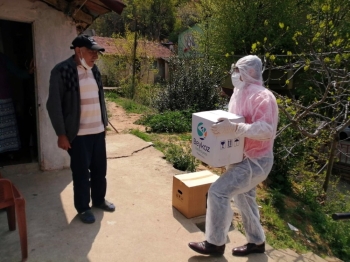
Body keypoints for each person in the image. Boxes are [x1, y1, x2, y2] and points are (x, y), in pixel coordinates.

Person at [188, 55, 279, 256]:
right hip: (240, 157)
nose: (234, 74)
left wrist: (236, 128)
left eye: (238, 70)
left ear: (251, 72)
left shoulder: (263, 97)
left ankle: (215, 243)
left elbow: (266, 130)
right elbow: (231, 126)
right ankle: (257, 242)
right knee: (243, 198)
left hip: (257, 160)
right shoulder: (238, 94)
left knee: (218, 192)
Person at [46, 35, 115, 224]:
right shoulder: (62, 71)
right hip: (78, 135)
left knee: (100, 170)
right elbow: (53, 105)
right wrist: (61, 134)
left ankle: (99, 200)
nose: (95, 56)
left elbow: (100, 98)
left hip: (98, 132)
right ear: (78, 51)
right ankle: (83, 207)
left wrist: (104, 123)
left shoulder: (95, 71)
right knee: (82, 174)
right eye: (91, 51)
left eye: (97, 52)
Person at [0, 52, 34, 158]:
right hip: (5, 99)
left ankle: (8, 154)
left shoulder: (2, 58)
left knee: (6, 132)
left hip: (4, 100)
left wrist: (30, 71)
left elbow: (17, 72)